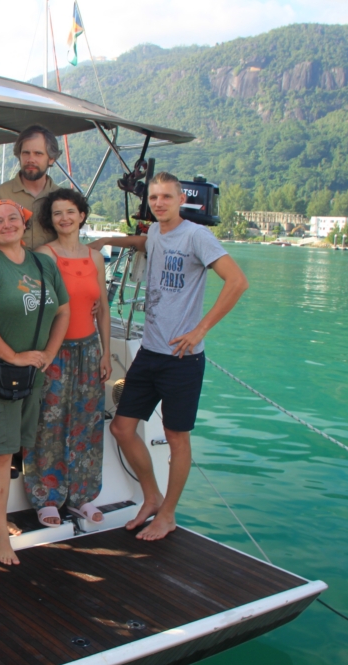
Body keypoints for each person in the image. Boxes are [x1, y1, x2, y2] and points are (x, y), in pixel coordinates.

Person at [108, 172, 248, 541]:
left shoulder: (197, 236)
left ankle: (168, 514)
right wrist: (107, 240)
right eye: (154, 197)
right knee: (121, 428)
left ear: (181, 199)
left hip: (183, 358)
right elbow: (146, 241)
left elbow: (237, 281)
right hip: (149, 352)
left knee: (176, 437)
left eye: (166, 197)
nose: (159, 203)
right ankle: (152, 496)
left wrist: (201, 330)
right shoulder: (156, 231)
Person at [0, 200, 70, 565]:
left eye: (13, 218)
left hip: (31, 375)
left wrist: (49, 353)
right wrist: (14, 356)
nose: (7, 224)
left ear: (24, 225)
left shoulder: (43, 264)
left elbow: (63, 310)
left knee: (10, 450)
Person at [26, 189, 111, 527]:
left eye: (70, 212)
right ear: (51, 220)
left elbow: (102, 309)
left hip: (89, 351)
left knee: (87, 423)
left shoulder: (95, 258)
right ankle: (46, 497)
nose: (64, 218)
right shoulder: (43, 255)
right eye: (57, 213)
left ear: (82, 215)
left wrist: (105, 353)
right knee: (48, 424)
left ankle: (82, 496)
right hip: (55, 351)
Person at [0, 125, 62, 249]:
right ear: (19, 155)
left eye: (38, 154)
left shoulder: (63, 199)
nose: (30, 159)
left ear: (51, 159)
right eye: (26, 153)